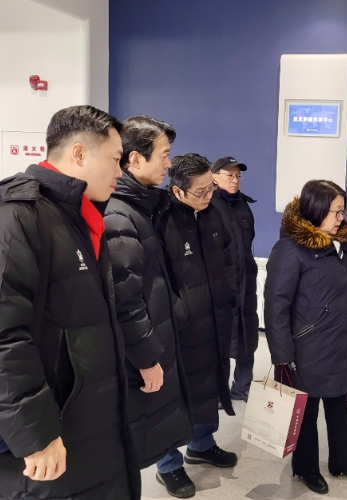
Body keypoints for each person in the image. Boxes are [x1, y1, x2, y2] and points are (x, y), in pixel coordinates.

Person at [0, 105, 140, 499]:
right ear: (79, 153)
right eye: (114, 159)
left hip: (90, 422)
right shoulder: (20, 216)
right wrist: (36, 435)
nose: (120, 172)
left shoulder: (79, 215)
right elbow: (5, 336)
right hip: (49, 436)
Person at [265, 180, 347, 495]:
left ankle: (344, 462)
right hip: (307, 346)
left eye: (343, 211)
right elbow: (275, 305)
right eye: (335, 212)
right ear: (316, 210)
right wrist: (282, 355)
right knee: (307, 409)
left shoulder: (339, 243)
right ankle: (306, 469)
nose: (341, 218)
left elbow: (343, 277)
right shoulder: (290, 249)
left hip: (340, 341)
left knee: (340, 403)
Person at [104, 116, 194, 497]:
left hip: (160, 335)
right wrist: (146, 358)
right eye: (164, 155)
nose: (169, 164)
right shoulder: (119, 215)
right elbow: (126, 299)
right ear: (135, 160)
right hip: (144, 350)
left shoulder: (144, 207)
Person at [155, 153, 238, 490]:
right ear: (177, 191)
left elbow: (229, 256)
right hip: (179, 325)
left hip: (214, 315)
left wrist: (228, 290)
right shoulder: (161, 219)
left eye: (211, 189)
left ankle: (202, 445)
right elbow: (153, 277)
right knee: (172, 396)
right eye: (201, 192)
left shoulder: (214, 211)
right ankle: (168, 463)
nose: (208, 196)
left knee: (208, 383)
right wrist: (179, 310)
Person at [211, 156, 259, 402]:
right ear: (214, 177)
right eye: (229, 175)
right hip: (222, 280)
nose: (235, 180)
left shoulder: (243, 205)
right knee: (222, 337)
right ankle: (219, 392)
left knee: (247, 333)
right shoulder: (209, 205)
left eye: (238, 175)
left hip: (246, 279)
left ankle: (242, 387)